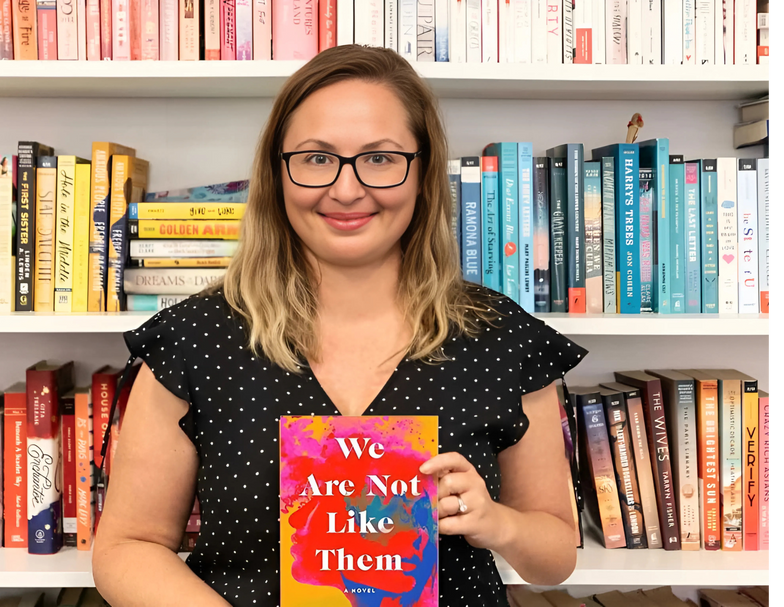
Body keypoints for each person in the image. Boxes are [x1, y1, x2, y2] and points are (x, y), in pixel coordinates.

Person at [91, 44, 588, 607]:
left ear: (422, 173)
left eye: (379, 158)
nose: (347, 189)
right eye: (317, 158)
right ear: (278, 173)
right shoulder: (195, 340)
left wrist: (498, 523)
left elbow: (555, 558)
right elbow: (127, 546)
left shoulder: (502, 338)